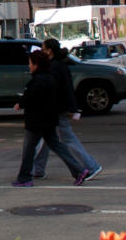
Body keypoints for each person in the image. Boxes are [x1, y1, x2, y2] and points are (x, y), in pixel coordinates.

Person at [15, 49, 88, 187]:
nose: (29, 66)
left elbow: (31, 97)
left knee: (29, 149)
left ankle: (24, 177)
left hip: (36, 121)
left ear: (36, 65)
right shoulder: (50, 78)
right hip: (49, 119)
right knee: (57, 146)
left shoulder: (37, 81)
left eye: (30, 63)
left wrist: (21, 103)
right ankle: (79, 171)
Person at [31, 38, 99, 182]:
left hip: (57, 109)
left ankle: (91, 166)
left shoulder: (54, 66)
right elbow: (67, 88)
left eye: (43, 49)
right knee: (47, 138)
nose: (42, 52)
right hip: (58, 108)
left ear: (49, 51)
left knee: (65, 138)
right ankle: (37, 169)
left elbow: (57, 89)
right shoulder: (59, 65)